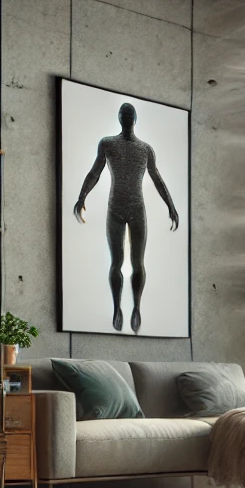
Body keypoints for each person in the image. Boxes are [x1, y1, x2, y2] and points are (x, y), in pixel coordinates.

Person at [73, 102, 180, 333]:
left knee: (137, 263)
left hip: (136, 208)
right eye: (125, 114)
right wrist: (82, 197)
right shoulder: (107, 144)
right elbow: (95, 173)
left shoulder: (145, 149)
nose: (128, 118)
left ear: (134, 119)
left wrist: (171, 206)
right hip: (115, 208)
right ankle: (116, 308)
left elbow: (157, 179)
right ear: (121, 119)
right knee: (116, 263)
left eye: (130, 115)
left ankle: (136, 307)